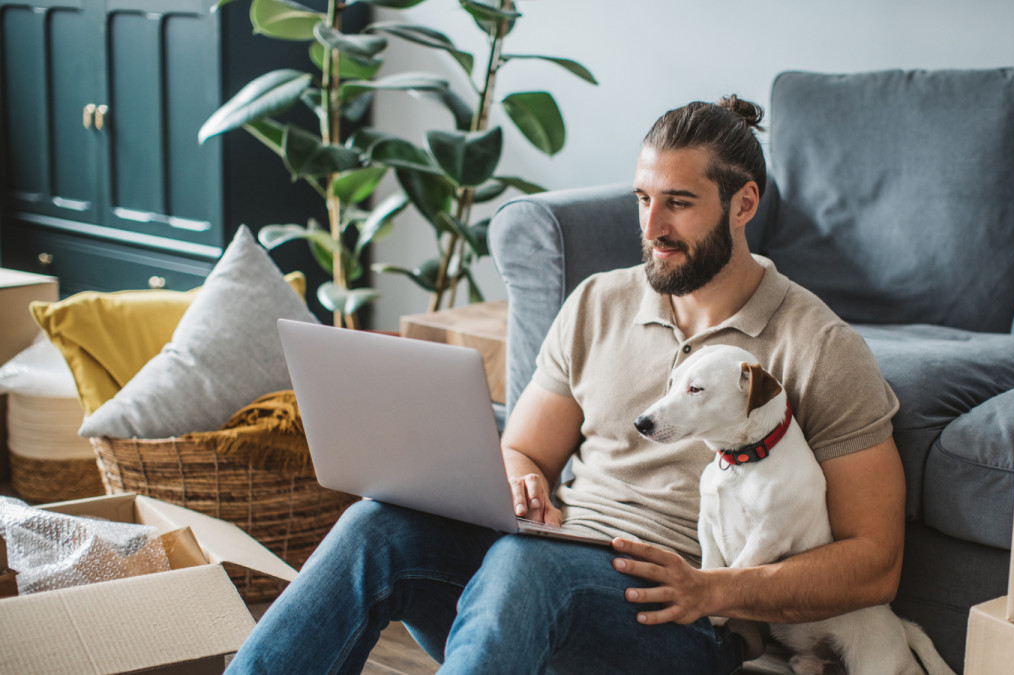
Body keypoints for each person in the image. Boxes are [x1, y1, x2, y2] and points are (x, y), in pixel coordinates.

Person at [226, 95, 904, 675]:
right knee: (379, 525)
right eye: (643, 199)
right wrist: (521, 480)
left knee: (523, 568)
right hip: (548, 566)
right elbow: (521, 451)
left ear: (743, 203)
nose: (651, 227)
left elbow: (876, 562)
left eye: (679, 204)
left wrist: (715, 590)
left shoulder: (818, 345)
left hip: (682, 615)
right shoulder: (597, 303)